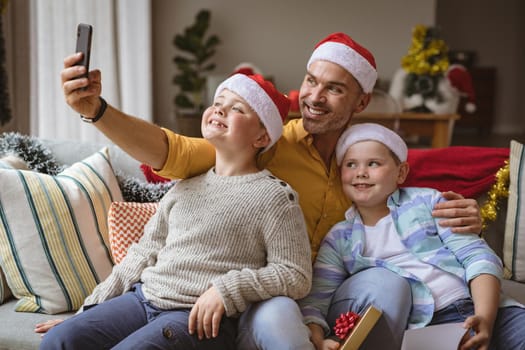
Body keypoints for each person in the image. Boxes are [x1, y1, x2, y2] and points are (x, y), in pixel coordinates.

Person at [57, 32, 482, 349]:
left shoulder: (370, 160)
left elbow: (416, 196)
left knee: (392, 285)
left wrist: (466, 215)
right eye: (311, 81)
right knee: (280, 311)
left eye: (334, 89)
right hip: (266, 296)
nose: (314, 97)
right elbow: (174, 150)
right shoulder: (265, 142)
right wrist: (97, 112)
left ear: (361, 102)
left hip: (333, 290)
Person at [37, 73, 312, 349]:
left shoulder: (275, 196)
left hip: (195, 318)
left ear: (262, 136)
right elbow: (142, 254)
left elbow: (295, 274)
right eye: (218, 102)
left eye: (237, 108)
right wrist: (90, 310)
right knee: (59, 340)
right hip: (142, 298)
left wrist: (226, 290)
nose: (220, 109)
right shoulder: (184, 187)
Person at [300, 123, 525, 350]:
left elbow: (478, 256)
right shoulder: (340, 237)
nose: (361, 172)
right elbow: (318, 298)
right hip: (429, 325)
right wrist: (319, 337)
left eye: (373, 163)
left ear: (401, 172)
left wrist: (485, 317)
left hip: (484, 305)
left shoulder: (429, 202)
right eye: (351, 165)